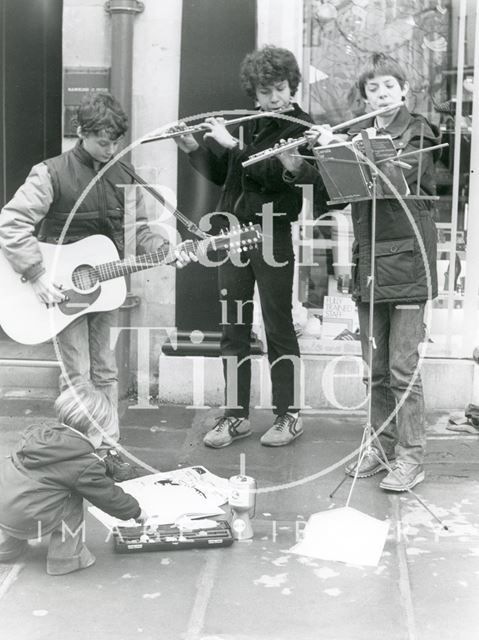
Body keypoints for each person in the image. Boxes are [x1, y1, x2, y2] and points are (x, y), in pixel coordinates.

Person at [0, 92, 185, 478]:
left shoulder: (124, 173)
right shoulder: (50, 172)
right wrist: (35, 274)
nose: (111, 149)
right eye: (103, 141)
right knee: (76, 374)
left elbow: (138, 234)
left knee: (105, 372)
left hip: (104, 288)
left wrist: (165, 248)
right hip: (58, 292)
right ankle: (77, 455)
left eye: (116, 141)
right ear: (80, 133)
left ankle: (108, 450)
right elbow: (12, 224)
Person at [278, 53, 440, 490]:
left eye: (389, 86)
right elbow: (338, 191)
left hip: (408, 258)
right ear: (364, 94)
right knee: (376, 368)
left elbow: (405, 176)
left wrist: (357, 148)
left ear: (403, 90)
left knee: (403, 368)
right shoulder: (358, 133)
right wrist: (306, 162)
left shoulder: (420, 129)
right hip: (370, 259)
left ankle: (411, 457)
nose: (382, 94)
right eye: (373, 89)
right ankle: (382, 446)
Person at [174, 45, 314, 448]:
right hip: (233, 234)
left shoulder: (300, 126)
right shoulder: (251, 123)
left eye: (280, 89)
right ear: (253, 93)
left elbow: (271, 175)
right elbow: (228, 176)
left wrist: (234, 145)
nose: (274, 99)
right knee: (232, 328)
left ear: (292, 87)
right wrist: (195, 150)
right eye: (265, 92)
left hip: (272, 234)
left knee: (277, 325)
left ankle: (289, 416)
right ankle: (236, 417)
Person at [0, 383, 147, 575]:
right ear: (94, 432)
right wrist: (135, 511)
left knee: (28, 486)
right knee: (71, 498)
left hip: (5, 509)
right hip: (31, 516)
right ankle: (67, 558)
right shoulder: (84, 464)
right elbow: (107, 496)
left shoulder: (37, 434)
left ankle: (7, 548)